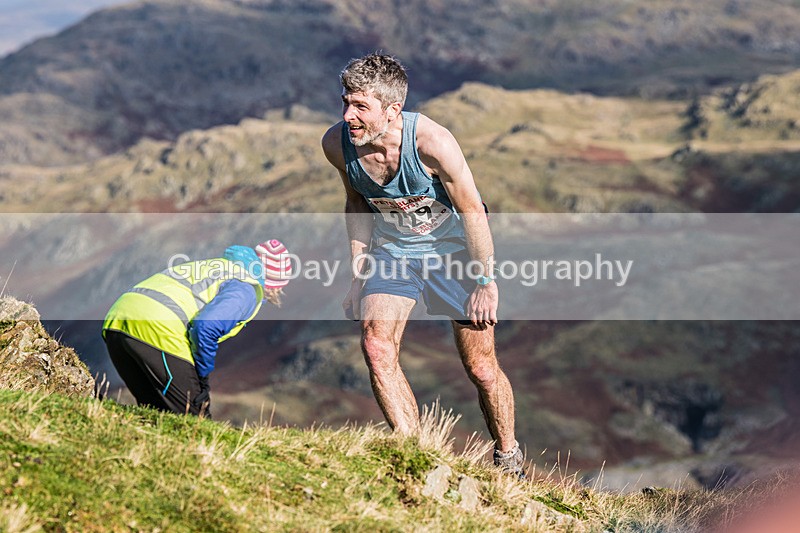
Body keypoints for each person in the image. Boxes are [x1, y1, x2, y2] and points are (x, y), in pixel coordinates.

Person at [321, 53, 524, 476]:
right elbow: (356, 203)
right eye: (345, 102)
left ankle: (508, 458)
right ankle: (418, 457)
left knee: (482, 368)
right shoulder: (337, 144)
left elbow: (472, 209)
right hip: (394, 254)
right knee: (376, 346)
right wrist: (359, 277)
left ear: (393, 110)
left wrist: (486, 281)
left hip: (454, 256)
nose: (348, 116)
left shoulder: (432, 143)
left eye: (361, 106)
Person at [102, 240, 292, 417]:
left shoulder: (216, 267)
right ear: (272, 284)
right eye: (275, 291)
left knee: (154, 413)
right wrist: (202, 375)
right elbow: (205, 327)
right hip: (156, 328)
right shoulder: (246, 288)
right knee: (194, 420)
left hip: (117, 321)